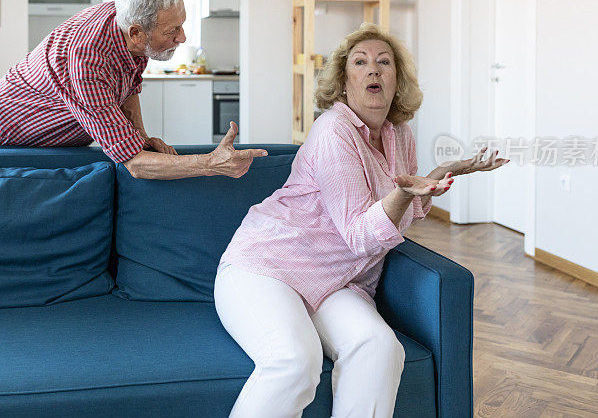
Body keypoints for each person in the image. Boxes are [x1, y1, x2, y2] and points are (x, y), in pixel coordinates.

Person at [214, 23, 509, 417]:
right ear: (344, 80)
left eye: (384, 62)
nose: (374, 70)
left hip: (338, 281)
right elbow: (360, 234)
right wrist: (403, 192)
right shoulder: (334, 130)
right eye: (361, 62)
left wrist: (444, 171)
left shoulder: (399, 134)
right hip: (267, 267)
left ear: (397, 81)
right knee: (294, 362)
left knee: (380, 348)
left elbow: (409, 207)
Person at [0, 0, 265, 179]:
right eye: (172, 30)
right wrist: (210, 163)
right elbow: (134, 164)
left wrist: (141, 136)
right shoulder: (87, 61)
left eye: (181, 25)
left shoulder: (127, 26)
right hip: (7, 148)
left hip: (50, 144)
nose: (183, 37)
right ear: (137, 33)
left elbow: (130, 86)